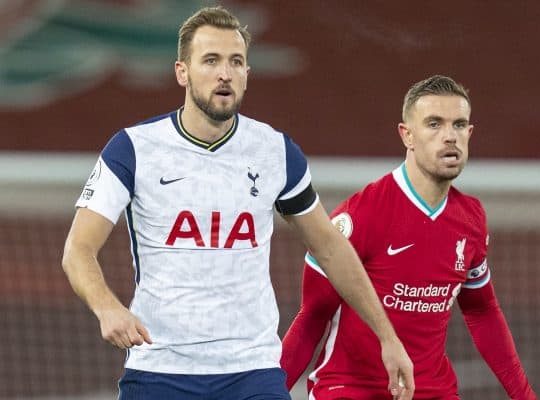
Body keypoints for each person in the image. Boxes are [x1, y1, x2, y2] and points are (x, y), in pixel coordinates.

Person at [61, 6, 414, 400]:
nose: (224, 73)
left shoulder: (275, 151)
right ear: (183, 71)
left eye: (236, 62)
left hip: (252, 371)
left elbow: (330, 248)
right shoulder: (133, 149)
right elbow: (78, 249)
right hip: (160, 369)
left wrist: (388, 337)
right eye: (210, 60)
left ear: (247, 73)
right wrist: (107, 308)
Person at [281, 75, 537, 400]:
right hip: (349, 390)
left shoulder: (471, 219)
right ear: (407, 135)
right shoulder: (363, 214)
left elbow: (481, 310)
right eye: (434, 124)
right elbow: (312, 315)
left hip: (432, 391)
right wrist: (270, 393)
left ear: (470, 133)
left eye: (459, 125)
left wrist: (525, 396)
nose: (450, 136)